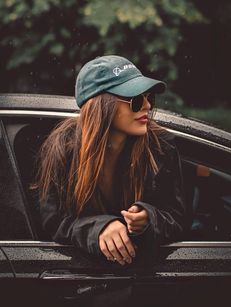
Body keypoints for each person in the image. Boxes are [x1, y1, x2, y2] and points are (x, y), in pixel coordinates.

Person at [37, 55, 186, 266]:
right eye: (135, 100)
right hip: (79, 277)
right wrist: (98, 229)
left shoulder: (160, 147)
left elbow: (178, 218)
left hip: (148, 275)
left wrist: (148, 219)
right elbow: (52, 221)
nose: (146, 106)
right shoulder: (63, 148)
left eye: (148, 97)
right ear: (102, 107)